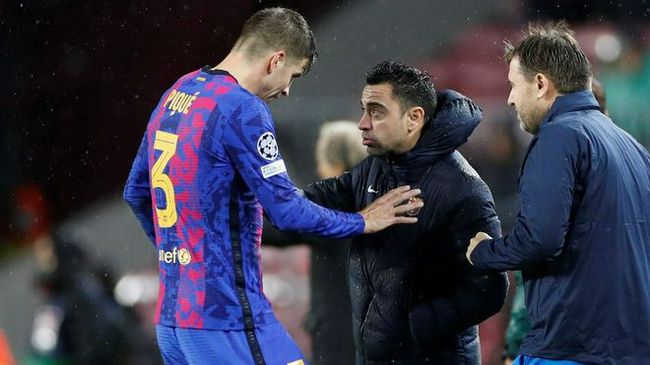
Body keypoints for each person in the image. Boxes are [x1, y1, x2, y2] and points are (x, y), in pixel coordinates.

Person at [122, 8, 421, 365]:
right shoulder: (242, 108)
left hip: (174, 319)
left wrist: (182, 257)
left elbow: (136, 192)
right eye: (292, 75)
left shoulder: (177, 92)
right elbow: (288, 211)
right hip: (227, 318)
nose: (287, 90)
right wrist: (363, 221)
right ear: (276, 59)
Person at [466, 22, 650, 365]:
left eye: (513, 85)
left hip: (570, 347)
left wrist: (484, 252)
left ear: (540, 84)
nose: (508, 98)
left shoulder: (560, 137)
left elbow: (541, 238)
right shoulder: (632, 148)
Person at [302, 61, 508, 365]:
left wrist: (413, 327)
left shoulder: (462, 189)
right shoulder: (374, 168)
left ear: (414, 118)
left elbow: (489, 289)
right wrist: (258, 191)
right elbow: (317, 200)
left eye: (376, 111)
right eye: (363, 110)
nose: (362, 123)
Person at [263, 120, 365, 364]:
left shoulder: (333, 210)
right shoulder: (374, 200)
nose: (319, 171)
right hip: (371, 329)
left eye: (322, 161)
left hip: (339, 334)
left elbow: (279, 230)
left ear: (336, 165)